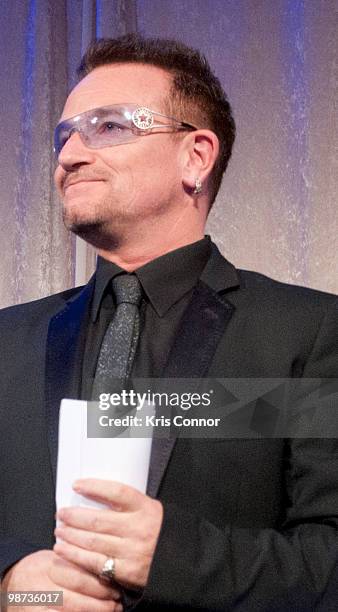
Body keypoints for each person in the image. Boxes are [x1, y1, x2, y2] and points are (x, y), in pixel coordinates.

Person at [1, 33, 338, 612]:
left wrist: (172, 557)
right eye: (65, 135)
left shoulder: (306, 334)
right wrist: (13, 584)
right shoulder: (8, 341)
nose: (69, 156)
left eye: (110, 126)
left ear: (196, 156)